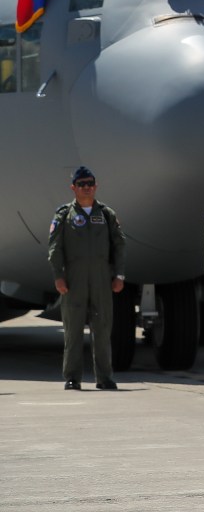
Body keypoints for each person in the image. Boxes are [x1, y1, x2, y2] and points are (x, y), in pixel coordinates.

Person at [47, 166, 126, 391]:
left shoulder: (106, 214)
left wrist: (119, 275)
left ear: (96, 186)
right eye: (81, 184)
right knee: (72, 330)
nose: (87, 188)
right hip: (74, 278)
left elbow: (119, 246)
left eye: (90, 183)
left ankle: (104, 377)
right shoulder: (64, 215)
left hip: (101, 278)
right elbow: (55, 248)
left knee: (102, 329)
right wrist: (59, 276)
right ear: (73, 187)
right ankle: (72, 377)